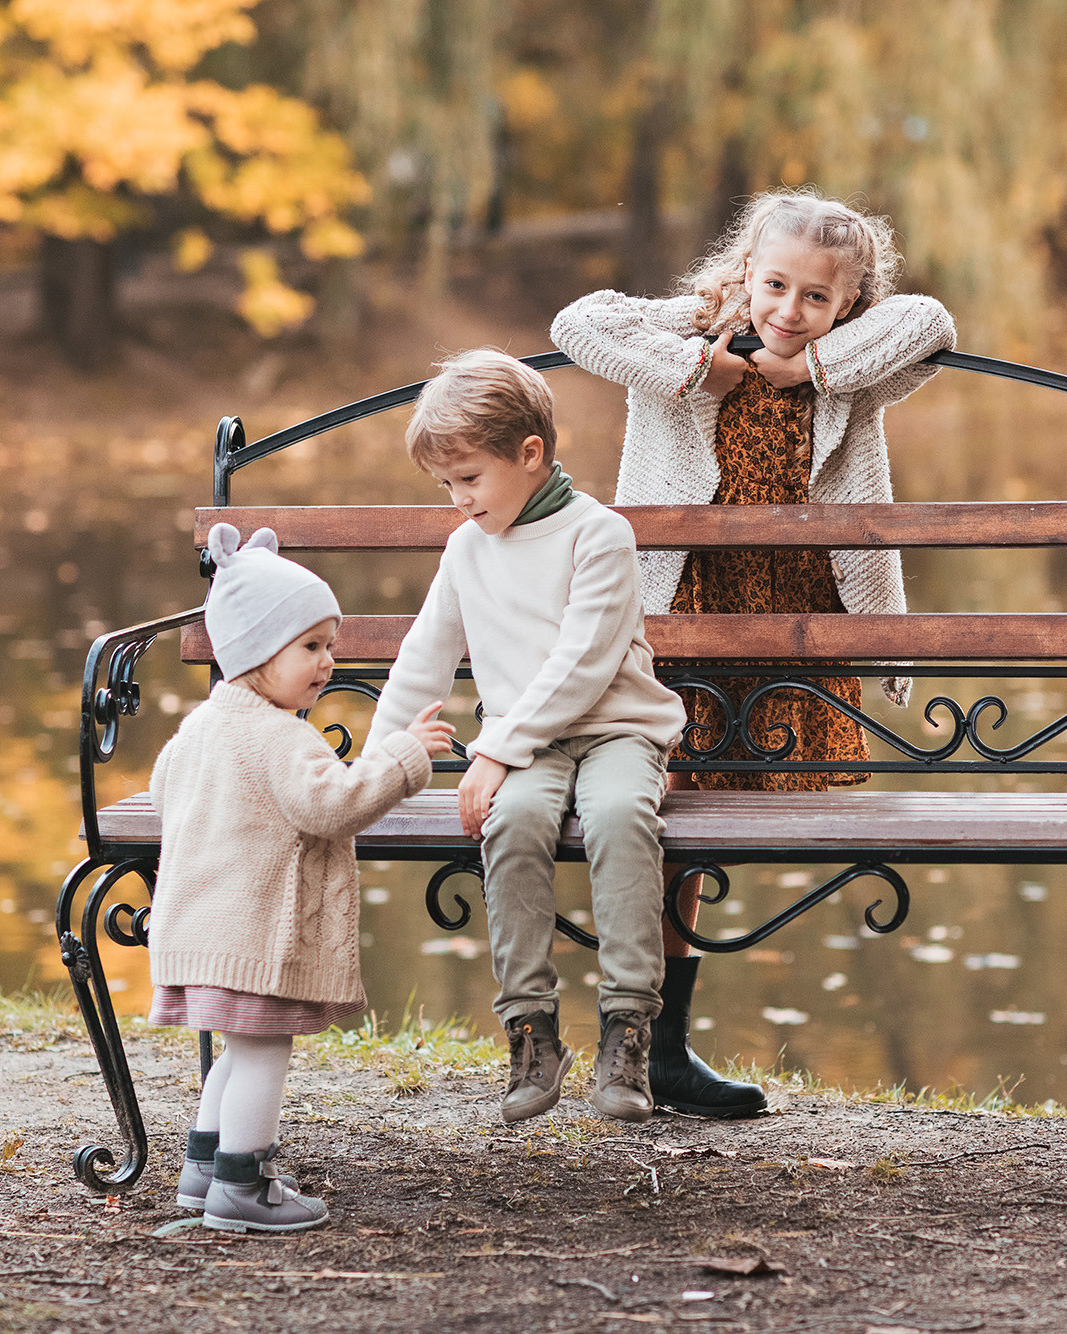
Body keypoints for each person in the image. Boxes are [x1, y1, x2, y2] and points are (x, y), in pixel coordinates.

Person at [550, 188, 956, 1118]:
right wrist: (706, 370)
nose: (787, 308)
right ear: (744, 273)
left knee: (704, 833)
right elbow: (579, 321)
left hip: (796, 616)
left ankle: (660, 1048)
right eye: (774, 284)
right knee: (668, 821)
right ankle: (643, 1041)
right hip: (683, 605)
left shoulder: (851, 368)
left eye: (817, 297)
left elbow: (931, 323)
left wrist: (801, 368)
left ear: (847, 307)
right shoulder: (691, 328)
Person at [367, 349, 688, 1125]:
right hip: (527, 744)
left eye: (469, 479)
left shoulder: (598, 535)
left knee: (617, 817)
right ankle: (531, 1031)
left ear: (531, 454)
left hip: (616, 732)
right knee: (509, 820)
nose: (459, 501)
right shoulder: (467, 548)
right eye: (447, 486)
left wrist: (493, 750)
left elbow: (583, 665)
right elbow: (427, 654)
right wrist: (376, 758)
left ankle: (628, 1028)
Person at [149, 522, 454, 1233]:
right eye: (311, 647)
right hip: (258, 935)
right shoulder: (281, 736)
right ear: (256, 651)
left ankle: (203, 1171)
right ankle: (242, 1186)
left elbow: (166, 793)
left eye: (331, 647)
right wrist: (405, 758)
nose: (327, 663)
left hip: (204, 928)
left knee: (236, 1047)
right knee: (262, 1052)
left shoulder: (199, 727)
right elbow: (333, 806)